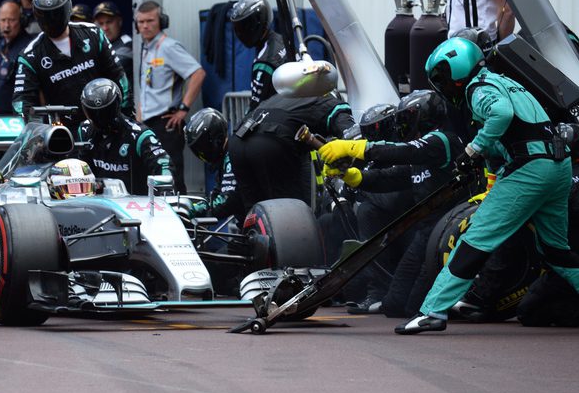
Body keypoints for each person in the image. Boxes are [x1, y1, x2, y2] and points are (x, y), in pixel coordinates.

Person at [396, 36, 579, 334]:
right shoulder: (508, 82)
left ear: (456, 67)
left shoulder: (477, 88)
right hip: (557, 167)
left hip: (531, 169)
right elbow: (514, 131)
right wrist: (485, 163)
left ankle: (433, 311)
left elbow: (501, 115)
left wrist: (472, 150)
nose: (443, 85)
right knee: (555, 250)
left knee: (476, 239)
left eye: (442, 77)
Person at [320, 91, 464, 316]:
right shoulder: (419, 154)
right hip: (425, 231)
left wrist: (358, 148)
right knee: (394, 306)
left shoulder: (442, 140)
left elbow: (402, 152)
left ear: (423, 116)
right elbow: (391, 178)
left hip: (447, 230)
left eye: (406, 119)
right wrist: (353, 177)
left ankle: (458, 300)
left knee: (415, 306)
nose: (401, 125)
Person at [13, 0, 129, 135]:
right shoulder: (30, 55)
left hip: (106, 125)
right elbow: (22, 103)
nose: (51, 20)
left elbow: (120, 79)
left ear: (66, 11)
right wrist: (40, 135)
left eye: (55, 14)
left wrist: (125, 119)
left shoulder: (93, 34)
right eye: (46, 15)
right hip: (65, 134)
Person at [228, 91, 355, 217]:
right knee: (290, 212)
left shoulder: (284, 96)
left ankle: (248, 235)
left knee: (253, 213)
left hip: (238, 140)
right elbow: (351, 135)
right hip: (271, 142)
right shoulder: (331, 103)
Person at [136, 0, 206, 193]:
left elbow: (198, 74)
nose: (145, 26)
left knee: (171, 178)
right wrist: (139, 118)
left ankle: (181, 218)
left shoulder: (169, 47)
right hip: (147, 124)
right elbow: (146, 87)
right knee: (150, 177)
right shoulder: (146, 49)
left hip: (166, 124)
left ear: (161, 21)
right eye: (141, 22)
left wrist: (183, 109)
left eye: (150, 20)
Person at [77, 78, 169, 195]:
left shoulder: (140, 135)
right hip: (97, 204)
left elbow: (163, 163)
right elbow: (79, 170)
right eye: (94, 113)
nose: (100, 118)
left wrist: (164, 192)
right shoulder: (84, 131)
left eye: (105, 113)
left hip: (135, 207)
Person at [183, 108, 242, 222]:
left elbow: (227, 201)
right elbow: (217, 195)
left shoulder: (232, 155)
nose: (200, 152)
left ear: (216, 139)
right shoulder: (225, 156)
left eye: (202, 147)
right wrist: (191, 208)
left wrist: (191, 210)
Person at [229, 0, 287, 111]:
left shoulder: (264, 62)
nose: (241, 33)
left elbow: (256, 108)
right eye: (238, 28)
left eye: (245, 27)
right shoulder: (281, 40)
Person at [0, 0, 30, 116]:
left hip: (15, 120)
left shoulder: (28, 48)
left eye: (12, 20)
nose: (6, 25)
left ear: (21, 21)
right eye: (3, 20)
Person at [93, 1, 134, 111]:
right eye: (101, 24)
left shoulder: (129, 43)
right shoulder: (95, 47)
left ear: (119, 21)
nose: (105, 28)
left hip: (127, 108)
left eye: (109, 22)